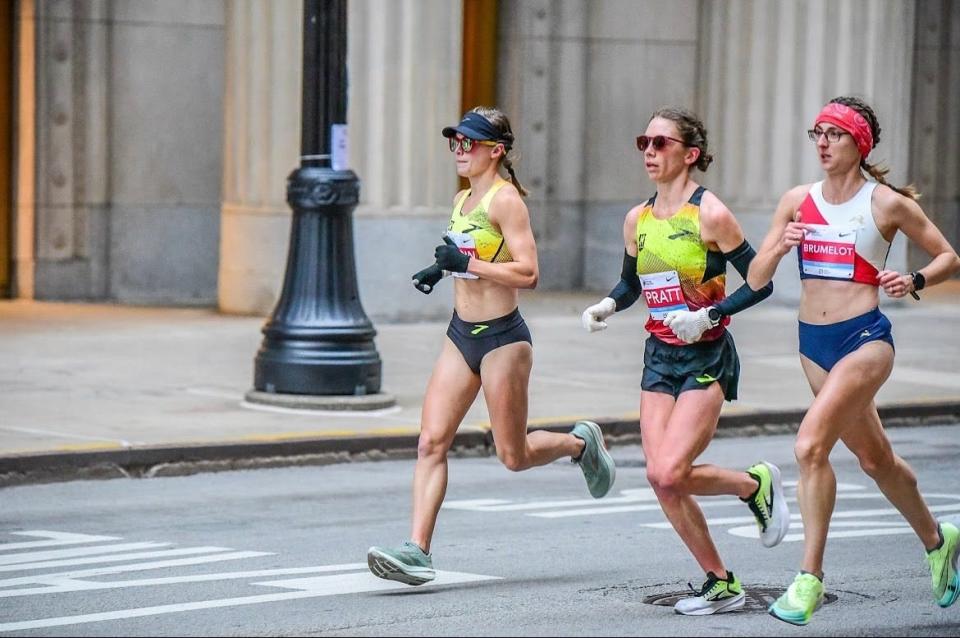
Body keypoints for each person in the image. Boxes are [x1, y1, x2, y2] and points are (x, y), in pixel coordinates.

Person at [367, 107, 616, 586]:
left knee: (513, 455)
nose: (459, 151)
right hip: (461, 334)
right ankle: (418, 550)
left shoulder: (507, 202)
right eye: (454, 142)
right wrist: (439, 268)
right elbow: (467, 256)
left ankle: (581, 443)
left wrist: (468, 263)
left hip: (503, 338)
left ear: (495, 150)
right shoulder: (462, 200)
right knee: (430, 441)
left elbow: (529, 273)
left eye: (468, 143)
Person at [747, 96, 960, 626]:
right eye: (816, 133)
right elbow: (755, 278)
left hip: (865, 340)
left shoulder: (885, 203)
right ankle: (939, 541)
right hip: (812, 345)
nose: (822, 142)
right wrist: (779, 247)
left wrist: (913, 280)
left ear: (858, 144)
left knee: (809, 446)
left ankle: (808, 580)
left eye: (834, 134)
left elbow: (949, 256)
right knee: (875, 459)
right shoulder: (797, 200)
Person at [581, 106, 788, 616]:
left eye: (661, 143)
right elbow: (632, 283)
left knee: (672, 472)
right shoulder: (639, 218)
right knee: (660, 477)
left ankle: (753, 484)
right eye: (644, 142)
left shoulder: (710, 213)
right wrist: (608, 303)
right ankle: (720, 582)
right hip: (658, 356)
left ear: (690, 154)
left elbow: (760, 282)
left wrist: (710, 313)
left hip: (706, 354)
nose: (649, 152)